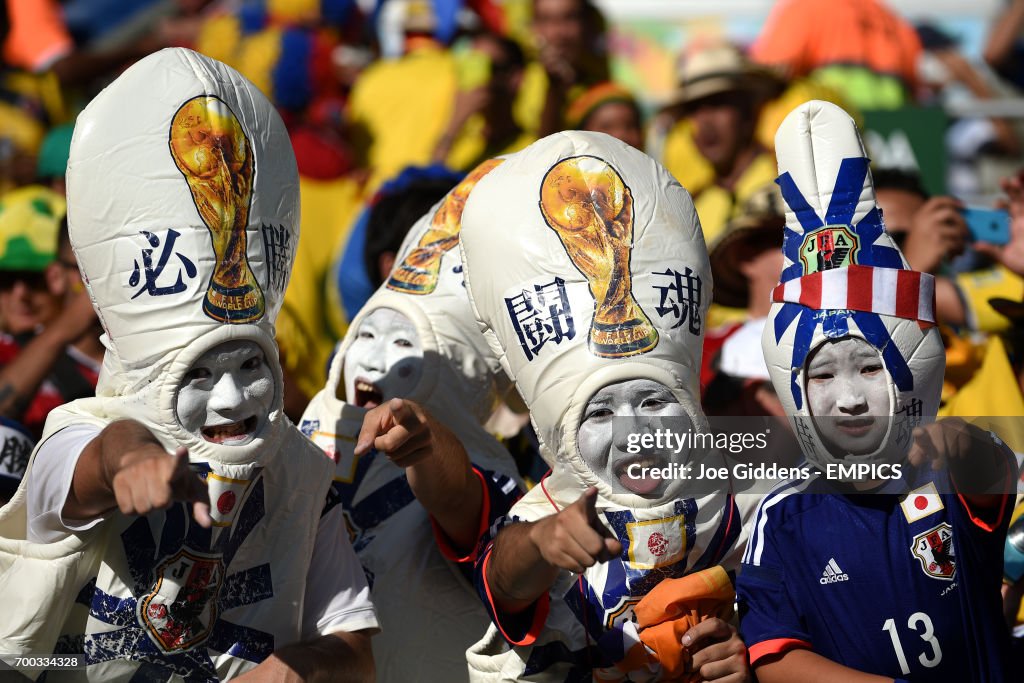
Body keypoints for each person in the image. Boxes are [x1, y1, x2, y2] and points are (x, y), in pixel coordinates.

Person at [0, 48, 378, 680]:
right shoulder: (75, 431)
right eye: (198, 376)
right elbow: (97, 457)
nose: (231, 401)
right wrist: (133, 460)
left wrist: (294, 669)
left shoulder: (298, 475)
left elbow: (354, 651)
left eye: (248, 368)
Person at [737, 100, 1016, 682]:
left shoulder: (948, 477)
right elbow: (775, 656)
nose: (851, 399)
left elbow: (991, 469)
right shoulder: (783, 516)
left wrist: (957, 441)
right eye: (820, 374)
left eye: (869, 368)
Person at [460, 131, 752, 681]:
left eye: (652, 400)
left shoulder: (742, 500)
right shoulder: (550, 515)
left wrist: (746, 657)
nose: (636, 432)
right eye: (599, 413)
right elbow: (503, 578)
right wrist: (544, 544)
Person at [301, 158, 523, 682]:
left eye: (404, 345)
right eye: (367, 337)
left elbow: (461, 504)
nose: (375, 361)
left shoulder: (487, 472)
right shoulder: (303, 435)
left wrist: (423, 444)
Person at [0, 194, 100, 438]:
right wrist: (64, 329)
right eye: (89, 269)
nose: (21, 293)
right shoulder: (10, 351)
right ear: (56, 276)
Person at [661, 44, 784, 244]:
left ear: (748, 114)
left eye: (718, 103)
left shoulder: (788, 184)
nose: (705, 121)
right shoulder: (691, 209)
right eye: (694, 109)